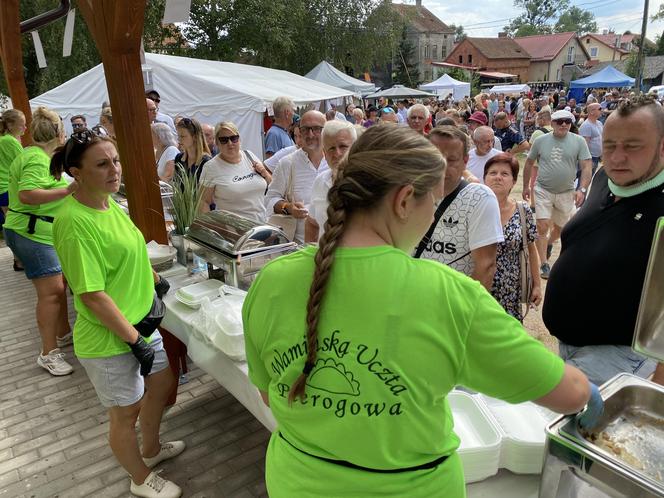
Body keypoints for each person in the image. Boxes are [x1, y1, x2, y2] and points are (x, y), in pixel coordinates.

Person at [243, 125, 596, 498]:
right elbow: (568, 393)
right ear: (404, 200)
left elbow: (270, 394)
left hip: (295, 483)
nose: (432, 217)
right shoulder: (447, 293)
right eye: (434, 203)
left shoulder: (271, 279)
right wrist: (588, 389)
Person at [51, 129, 184, 498]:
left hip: (140, 323)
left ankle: (152, 449)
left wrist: (154, 279)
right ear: (76, 172)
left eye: (115, 160)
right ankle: (140, 478)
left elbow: (130, 252)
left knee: (161, 383)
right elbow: (92, 295)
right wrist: (133, 340)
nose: (114, 170)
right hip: (112, 339)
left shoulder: (110, 204)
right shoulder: (74, 223)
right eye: (102, 164)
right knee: (124, 415)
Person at [543, 95, 664, 386]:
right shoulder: (604, 178)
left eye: (632, 147)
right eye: (609, 146)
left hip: (617, 356)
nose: (617, 157)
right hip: (570, 345)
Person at [3, 106, 76, 375]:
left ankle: (63, 334)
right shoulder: (36, 159)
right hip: (32, 234)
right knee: (51, 294)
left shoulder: (35, 155)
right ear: (58, 132)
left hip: (34, 232)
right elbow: (28, 194)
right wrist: (68, 190)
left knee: (58, 287)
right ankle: (48, 353)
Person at [418, 126, 504, 291]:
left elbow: (485, 266)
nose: (441, 165)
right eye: (435, 157)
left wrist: (467, 310)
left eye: (451, 160)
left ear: (465, 161)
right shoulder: (411, 192)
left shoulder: (479, 198)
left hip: (453, 301)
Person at [522, 109, 592, 279]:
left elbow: (586, 166)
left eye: (567, 121)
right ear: (552, 123)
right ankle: (544, 265)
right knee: (542, 225)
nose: (563, 124)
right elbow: (529, 162)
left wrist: (582, 189)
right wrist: (525, 186)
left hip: (566, 192)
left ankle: (548, 243)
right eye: (559, 121)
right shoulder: (540, 140)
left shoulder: (579, 141)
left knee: (560, 229)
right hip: (543, 189)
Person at [484, 153, 542, 322]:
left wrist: (537, 285)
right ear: (485, 178)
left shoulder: (522, 211)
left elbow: (531, 250)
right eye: (493, 173)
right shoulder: (474, 210)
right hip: (477, 288)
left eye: (505, 174)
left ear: (513, 181)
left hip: (510, 293)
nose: (498, 178)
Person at [266, 111, 327, 243]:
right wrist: (288, 207)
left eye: (316, 129)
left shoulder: (335, 161)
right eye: (305, 129)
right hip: (299, 245)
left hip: (334, 243)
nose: (310, 134)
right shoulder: (288, 163)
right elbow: (270, 199)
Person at [199, 121, 271, 222]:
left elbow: (271, 184)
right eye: (224, 140)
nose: (230, 143)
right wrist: (213, 228)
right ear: (217, 143)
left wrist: (264, 172)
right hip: (233, 231)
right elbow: (203, 202)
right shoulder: (211, 167)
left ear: (239, 139)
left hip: (261, 226)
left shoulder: (249, 155)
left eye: (234, 138)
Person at [304, 120, 357, 242]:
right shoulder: (320, 181)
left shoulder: (367, 183)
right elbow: (311, 223)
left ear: (355, 148)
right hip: (325, 259)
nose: (337, 153)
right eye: (331, 148)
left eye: (343, 146)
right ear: (324, 153)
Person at [0, 108, 26, 270]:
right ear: (10, 125)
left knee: (10, 224)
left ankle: (18, 259)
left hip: (2, 188)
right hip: (7, 188)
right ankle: (19, 259)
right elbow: (23, 162)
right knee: (16, 226)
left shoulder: (4, 139)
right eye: (22, 125)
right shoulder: (9, 141)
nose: (25, 128)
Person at [174, 117, 211, 182]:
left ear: (195, 137)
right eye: (178, 136)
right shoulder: (178, 158)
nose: (179, 139)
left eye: (182, 136)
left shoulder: (206, 162)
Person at [578, 102, 603, 176]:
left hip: (597, 157)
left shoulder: (599, 123)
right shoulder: (586, 125)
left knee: (589, 178)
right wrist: (588, 160)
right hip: (591, 158)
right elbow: (585, 144)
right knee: (584, 178)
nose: (602, 110)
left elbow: (601, 139)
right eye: (600, 109)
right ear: (592, 111)